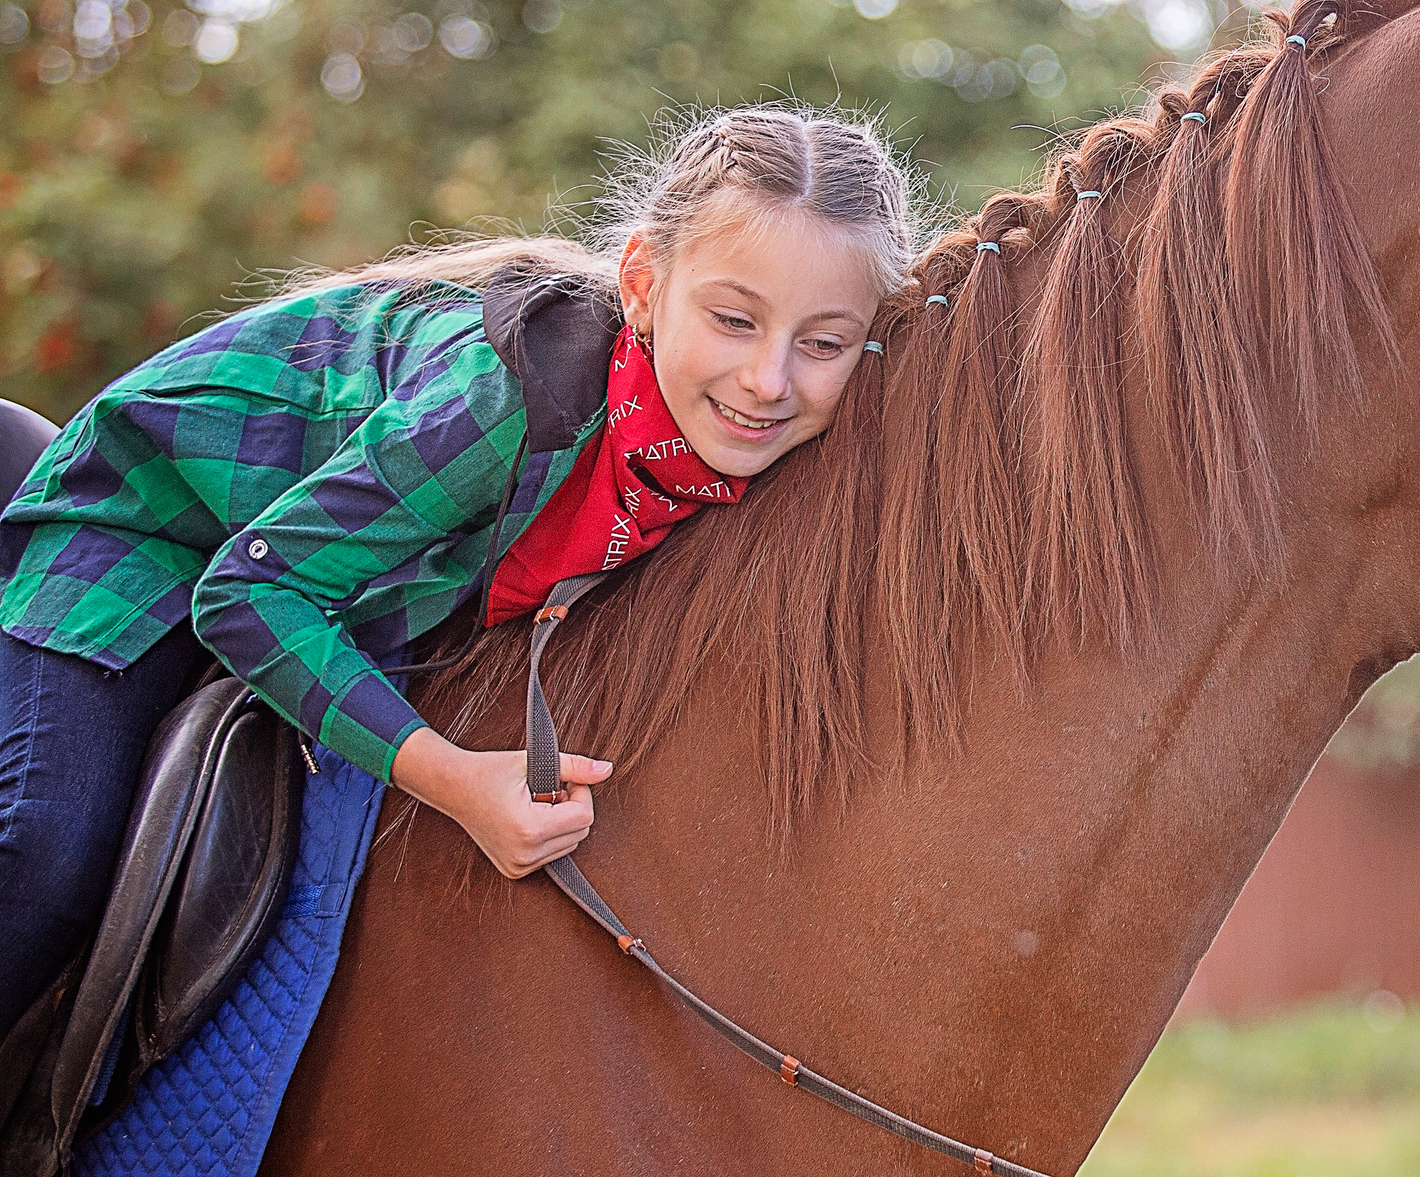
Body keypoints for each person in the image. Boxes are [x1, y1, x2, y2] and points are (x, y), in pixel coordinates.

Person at [0, 102, 915, 1033]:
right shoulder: (500, 405)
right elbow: (251, 590)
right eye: (732, 320)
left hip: (341, 577)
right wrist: (455, 780)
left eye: (823, 343)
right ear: (642, 285)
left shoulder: (743, 436)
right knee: (48, 851)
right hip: (147, 531)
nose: (770, 380)